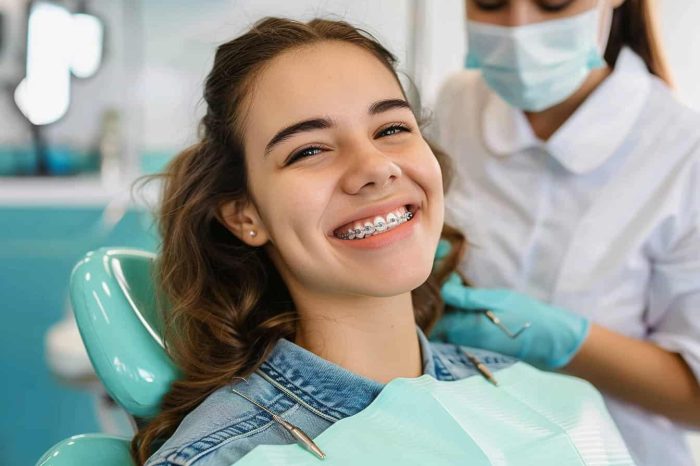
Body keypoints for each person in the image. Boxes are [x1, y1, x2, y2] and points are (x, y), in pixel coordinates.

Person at [134, 17, 631, 466]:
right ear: (245, 215)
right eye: (308, 150)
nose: (375, 167)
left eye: (392, 127)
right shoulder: (228, 456)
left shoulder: (545, 398)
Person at [432, 1, 700, 465]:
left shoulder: (684, 153)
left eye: (553, 1)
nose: (519, 30)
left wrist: (558, 339)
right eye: (490, 2)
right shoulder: (455, 103)